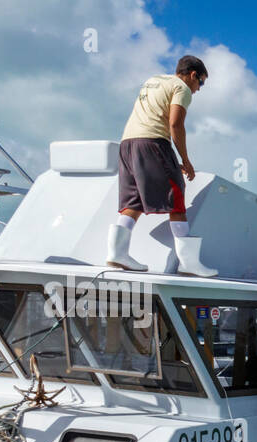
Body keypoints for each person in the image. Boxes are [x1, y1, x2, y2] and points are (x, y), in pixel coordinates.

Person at [107, 55, 217, 278]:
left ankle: (117, 253)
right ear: (193, 74)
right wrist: (185, 160)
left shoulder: (153, 80)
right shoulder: (182, 88)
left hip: (128, 144)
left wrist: (166, 160)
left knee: (134, 200)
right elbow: (175, 124)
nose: (198, 89)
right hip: (153, 141)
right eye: (201, 83)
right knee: (175, 195)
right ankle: (188, 264)